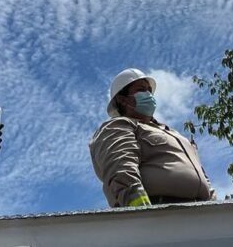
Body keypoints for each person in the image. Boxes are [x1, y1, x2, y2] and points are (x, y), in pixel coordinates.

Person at [89, 68, 214, 207]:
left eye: (149, 90)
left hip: (201, 212)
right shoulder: (119, 125)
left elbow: (203, 176)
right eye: (141, 90)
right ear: (123, 100)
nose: (148, 94)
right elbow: (122, 171)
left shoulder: (173, 133)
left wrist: (215, 206)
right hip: (161, 210)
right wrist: (143, 212)